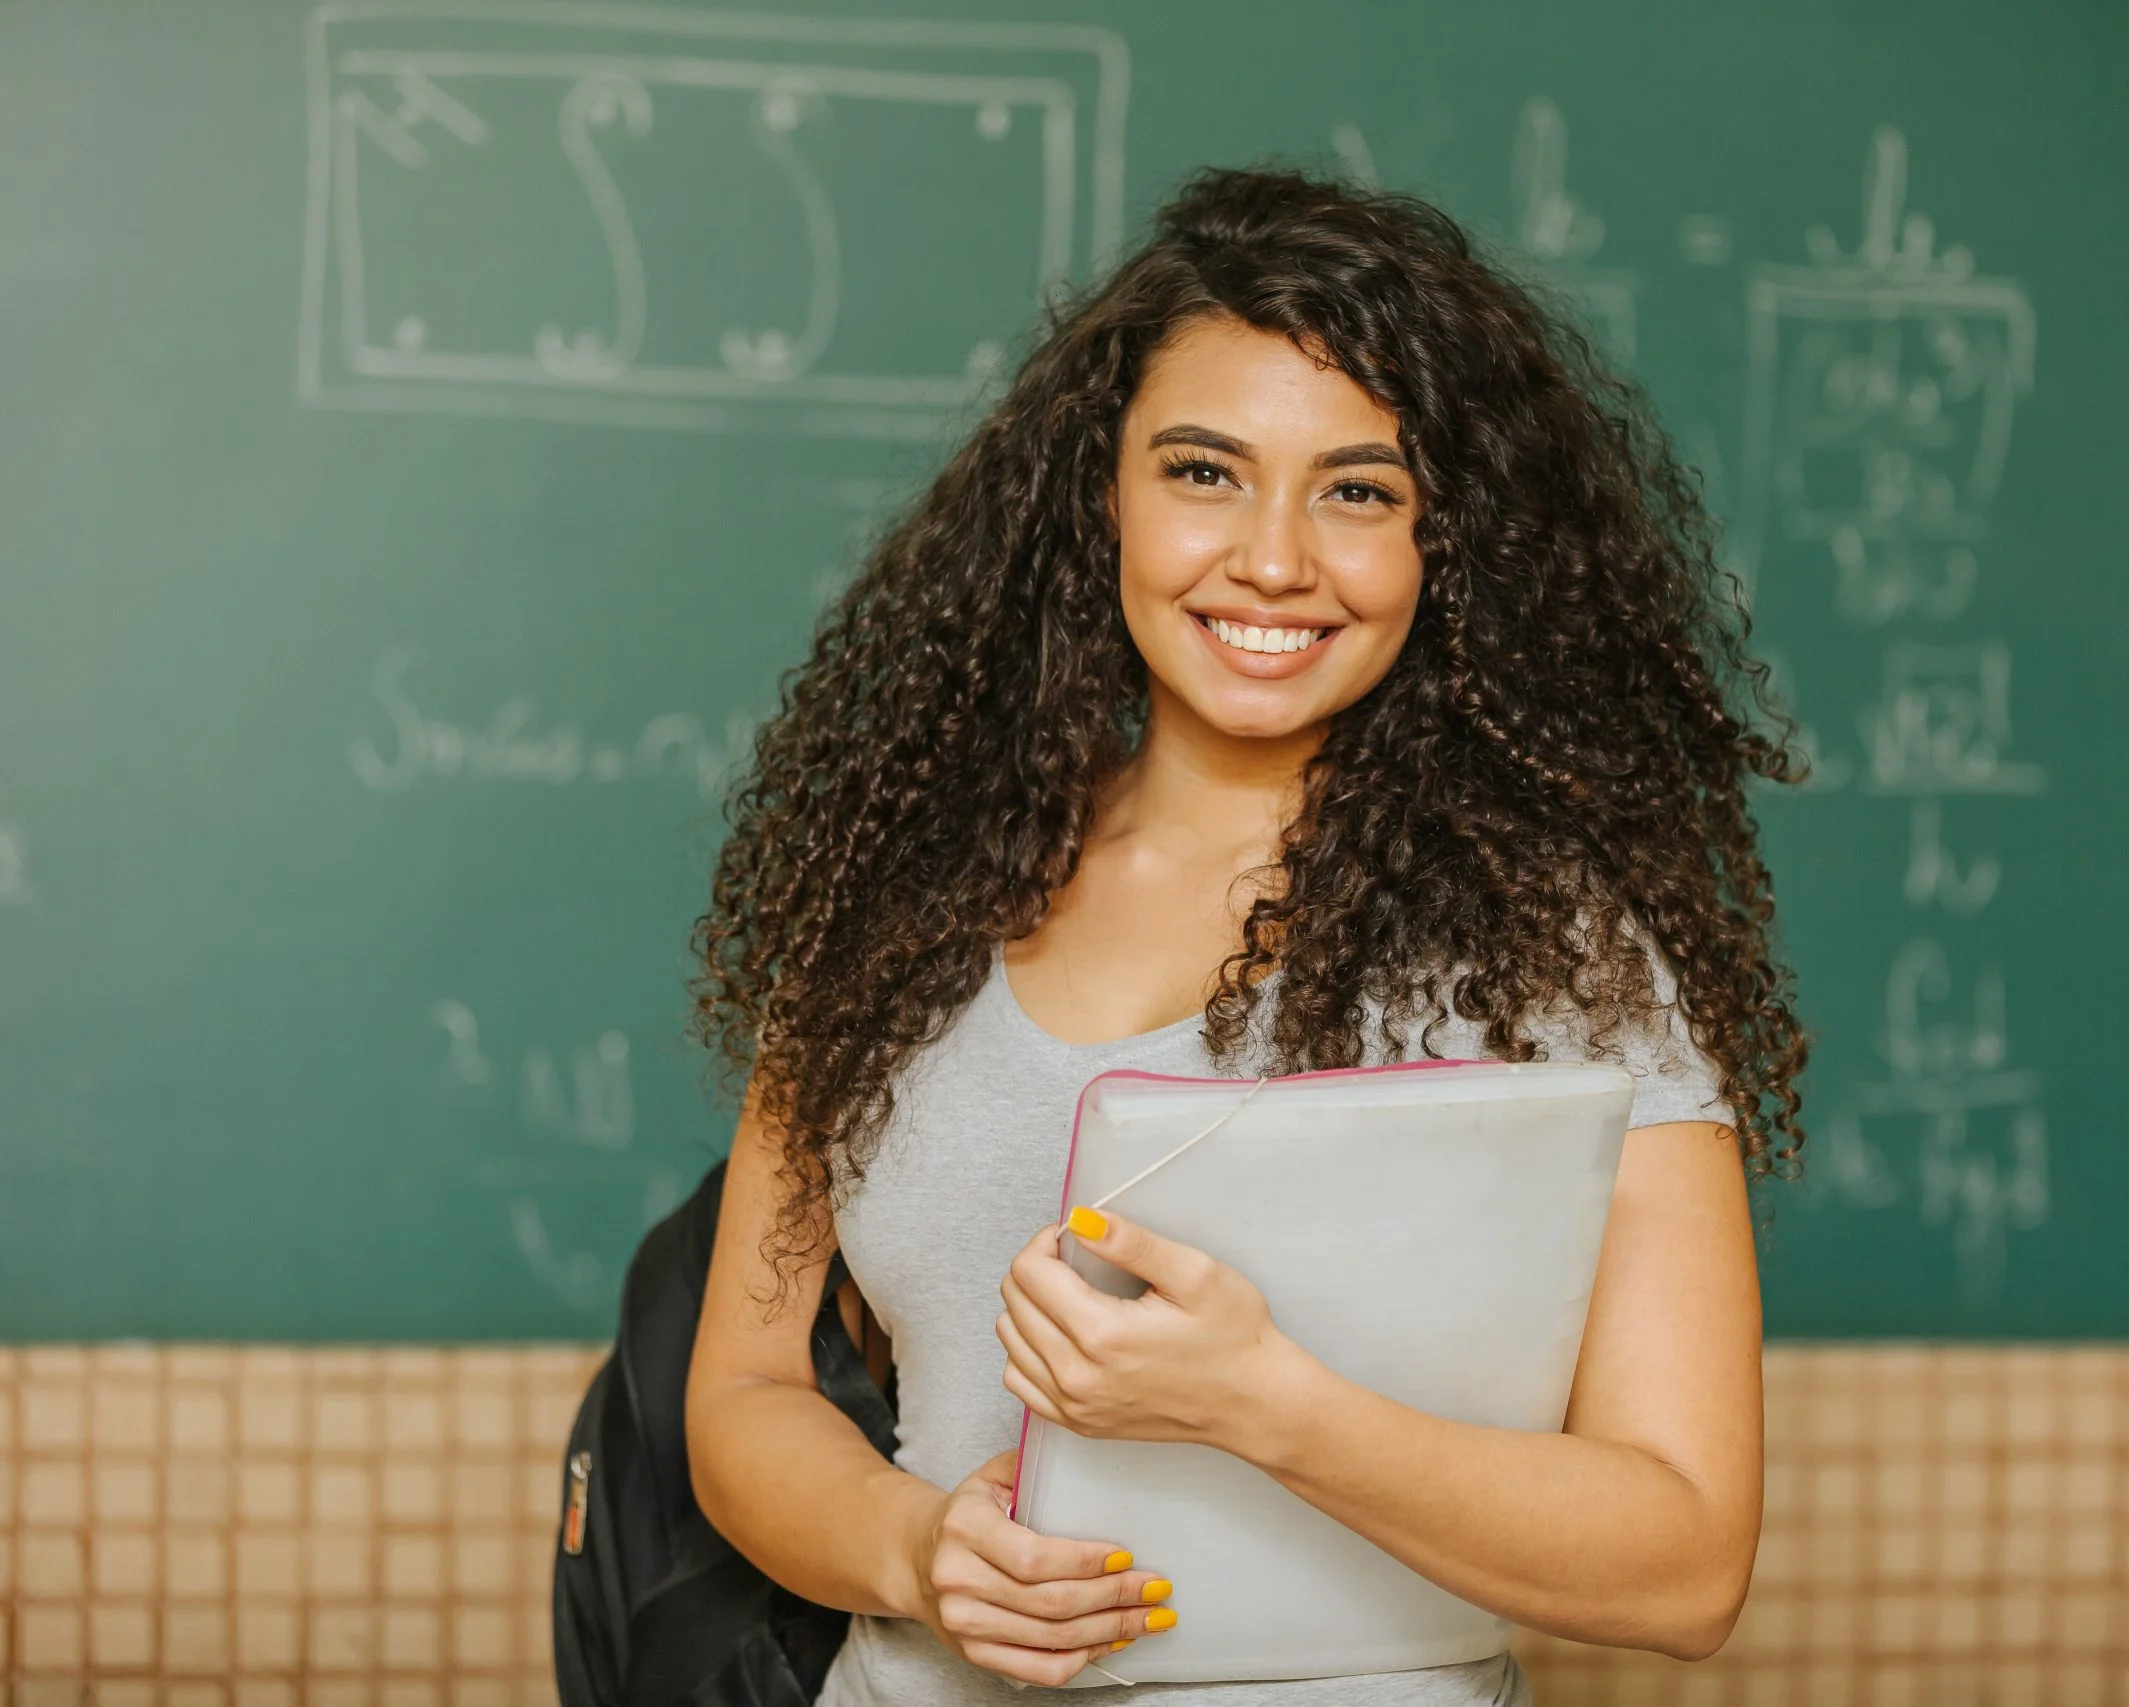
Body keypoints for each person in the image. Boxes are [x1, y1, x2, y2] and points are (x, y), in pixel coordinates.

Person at [681, 166, 1807, 1706]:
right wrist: (913, 1546)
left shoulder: (1559, 954)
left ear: (1445, 543)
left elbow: (1684, 1562)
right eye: (1204, 471)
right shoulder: (898, 897)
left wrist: (1262, 1403)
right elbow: (744, 1390)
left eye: (1360, 489)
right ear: (1106, 494)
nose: (1275, 559)